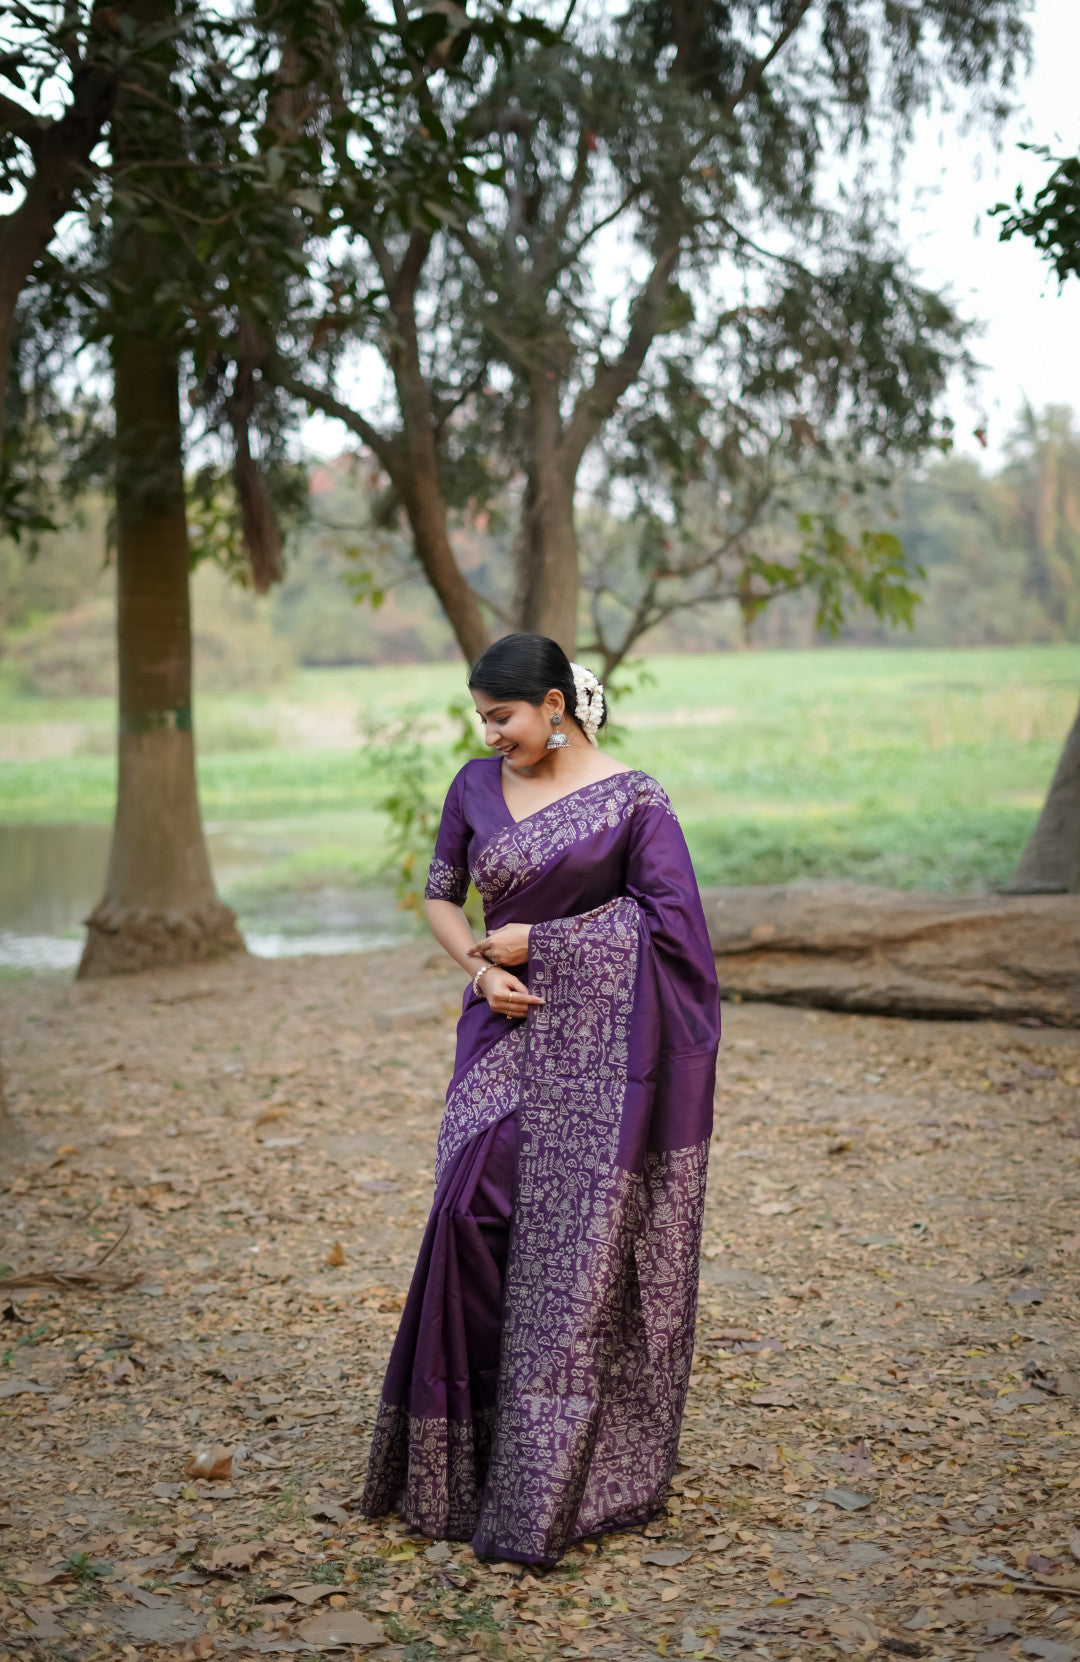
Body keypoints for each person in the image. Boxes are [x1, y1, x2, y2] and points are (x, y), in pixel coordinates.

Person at [361, 633, 721, 1567]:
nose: (490, 734)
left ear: (556, 705)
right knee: (468, 1213)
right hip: (499, 1034)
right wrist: (479, 970)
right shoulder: (473, 790)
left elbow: (675, 931)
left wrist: (546, 948)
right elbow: (442, 898)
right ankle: (460, 1456)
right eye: (481, 717)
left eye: (504, 716)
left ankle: (547, 1461)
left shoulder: (636, 801)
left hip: (605, 1060)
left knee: (570, 1245)